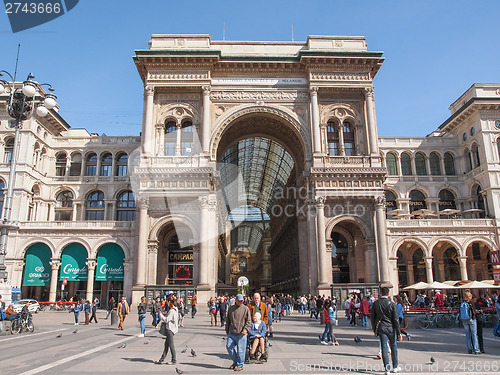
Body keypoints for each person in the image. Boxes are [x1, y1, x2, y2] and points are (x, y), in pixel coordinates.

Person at [370, 287, 402, 374]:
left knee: (384, 347)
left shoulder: (376, 304)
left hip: (381, 327)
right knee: (393, 347)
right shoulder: (392, 304)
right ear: (388, 294)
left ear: (380, 293)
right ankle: (395, 367)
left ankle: (387, 369)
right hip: (391, 327)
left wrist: (374, 328)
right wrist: (399, 332)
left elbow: (372, 317)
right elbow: (395, 319)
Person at [226, 294, 252, 372]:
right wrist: (227, 330)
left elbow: (249, 321)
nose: (240, 302)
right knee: (229, 347)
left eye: (242, 301)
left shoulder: (246, 309)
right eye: (239, 300)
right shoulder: (231, 308)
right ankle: (235, 361)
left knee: (241, 350)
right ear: (236, 300)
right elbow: (228, 320)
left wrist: (246, 329)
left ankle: (240, 365)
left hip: (241, 333)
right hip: (232, 332)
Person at [155, 296, 179, 365]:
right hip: (173, 329)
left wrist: (161, 315)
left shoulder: (171, 311)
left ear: (169, 302)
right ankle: (161, 359)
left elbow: (166, 320)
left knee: (171, 345)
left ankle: (174, 360)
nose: (167, 303)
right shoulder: (175, 309)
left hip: (170, 329)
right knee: (166, 345)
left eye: (167, 302)